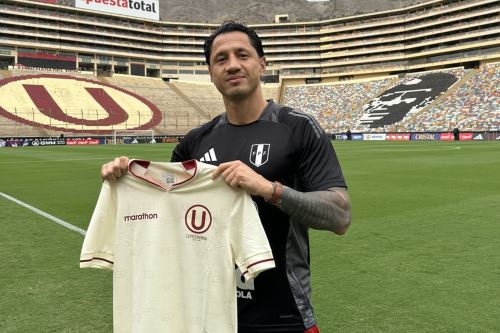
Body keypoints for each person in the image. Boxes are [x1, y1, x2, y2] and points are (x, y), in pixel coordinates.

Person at [101, 21, 351, 333]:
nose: (232, 65)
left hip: (284, 316)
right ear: (210, 71)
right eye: (221, 58)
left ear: (262, 63)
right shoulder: (194, 143)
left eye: (242, 55)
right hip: (205, 314)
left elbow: (340, 215)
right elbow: (167, 219)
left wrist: (269, 189)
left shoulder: (297, 128)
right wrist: (127, 178)